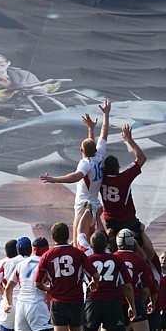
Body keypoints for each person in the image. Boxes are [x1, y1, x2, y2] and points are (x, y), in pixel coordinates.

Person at [40, 99, 111, 246]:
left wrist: (55, 180)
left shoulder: (85, 163)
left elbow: (77, 176)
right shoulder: (99, 156)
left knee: (78, 241)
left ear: (81, 151)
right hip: (94, 203)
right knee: (89, 240)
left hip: (84, 205)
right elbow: (103, 134)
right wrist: (104, 116)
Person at [35, 222, 100, 331]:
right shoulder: (78, 254)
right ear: (68, 236)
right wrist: (93, 284)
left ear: (53, 237)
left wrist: (51, 290)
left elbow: (37, 283)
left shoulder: (47, 256)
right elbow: (95, 275)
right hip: (76, 300)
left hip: (58, 302)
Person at [81, 231, 137, 331]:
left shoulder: (87, 259)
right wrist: (132, 305)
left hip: (93, 302)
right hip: (113, 302)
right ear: (107, 244)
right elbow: (127, 286)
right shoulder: (116, 260)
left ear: (91, 245)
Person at [2, 237, 56, 331]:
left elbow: (8, 287)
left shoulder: (21, 264)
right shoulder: (45, 263)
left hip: (21, 306)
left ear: (33, 249)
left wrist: (8, 303)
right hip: (36, 305)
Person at [100, 124, 155, 260]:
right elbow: (141, 158)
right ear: (118, 167)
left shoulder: (100, 180)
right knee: (143, 253)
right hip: (128, 221)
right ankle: (146, 268)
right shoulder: (124, 177)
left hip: (110, 223)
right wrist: (129, 139)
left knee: (112, 253)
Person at [113, 228, 156, 331]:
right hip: (136, 300)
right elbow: (146, 289)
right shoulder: (139, 260)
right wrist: (140, 304)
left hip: (116, 303)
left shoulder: (113, 258)